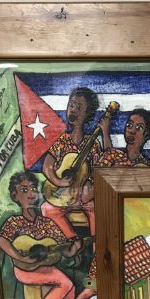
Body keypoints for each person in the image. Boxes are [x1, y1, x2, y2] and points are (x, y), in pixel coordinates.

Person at [0, 171, 82, 299]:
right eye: (24, 190)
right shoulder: (14, 222)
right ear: (15, 196)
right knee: (65, 284)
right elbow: (2, 241)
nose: (31, 194)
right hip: (25, 269)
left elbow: (63, 250)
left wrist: (73, 248)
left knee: (69, 285)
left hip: (45, 267)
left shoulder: (47, 223)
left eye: (33, 189)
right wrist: (21, 258)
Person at [41, 87, 112, 239]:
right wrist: (58, 182)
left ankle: (97, 244)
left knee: (96, 209)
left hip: (83, 198)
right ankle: (73, 239)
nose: (73, 109)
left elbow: (109, 161)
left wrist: (105, 133)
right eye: (71, 105)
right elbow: (47, 166)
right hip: (63, 196)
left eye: (79, 107)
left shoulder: (92, 144)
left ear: (87, 114)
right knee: (46, 208)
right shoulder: (62, 141)